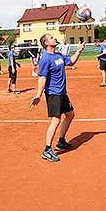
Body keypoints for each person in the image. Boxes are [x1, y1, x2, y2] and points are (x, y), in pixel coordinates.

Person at [30, 33, 85, 162]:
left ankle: (61, 141)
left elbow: (71, 62)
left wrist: (78, 51)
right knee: (56, 120)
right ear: (46, 43)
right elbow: (42, 78)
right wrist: (38, 95)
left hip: (62, 93)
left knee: (70, 114)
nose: (54, 38)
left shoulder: (58, 55)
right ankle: (47, 149)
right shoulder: (45, 59)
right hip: (53, 93)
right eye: (51, 38)